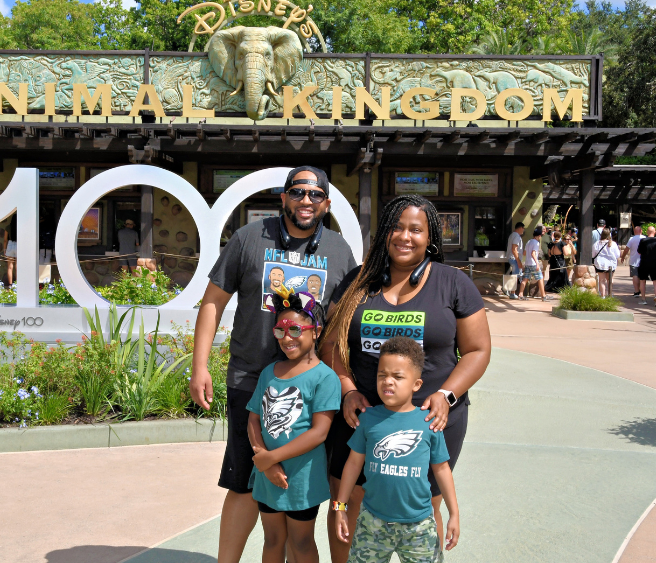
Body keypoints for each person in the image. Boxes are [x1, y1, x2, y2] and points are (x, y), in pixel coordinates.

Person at [190, 166, 357, 563]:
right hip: (254, 378)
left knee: (306, 483)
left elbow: (344, 319)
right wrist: (200, 366)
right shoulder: (249, 238)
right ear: (282, 198)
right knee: (245, 479)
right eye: (297, 192)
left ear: (327, 204)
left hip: (314, 387)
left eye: (315, 195)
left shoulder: (338, 250)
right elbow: (213, 301)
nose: (306, 201)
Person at [319, 194, 490, 563]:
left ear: (431, 238)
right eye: (396, 227)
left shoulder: (453, 283)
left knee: (423, 509)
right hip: (360, 416)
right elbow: (330, 343)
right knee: (348, 503)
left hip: (432, 419)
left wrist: (447, 394)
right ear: (384, 233)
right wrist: (347, 389)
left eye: (416, 229)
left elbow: (477, 350)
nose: (405, 236)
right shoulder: (358, 282)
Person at [334, 337, 459, 563]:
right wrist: (340, 506)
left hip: (419, 528)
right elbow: (353, 464)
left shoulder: (429, 422)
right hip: (372, 523)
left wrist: (454, 514)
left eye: (398, 377)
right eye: (382, 375)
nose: (388, 382)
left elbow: (441, 469)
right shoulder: (369, 419)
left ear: (416, 384)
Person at [248, 289, 340, 563]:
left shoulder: (325, 377)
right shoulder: (269, 373)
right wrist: (265, 461)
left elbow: (319, 432)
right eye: (280, 331)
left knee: (301, 542)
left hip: (301, 481)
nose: (287, 338)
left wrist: (270, 459)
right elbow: (254, 417)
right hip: (268, 476)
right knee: (272, 539)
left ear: (316, 331)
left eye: (296, 330)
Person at [518, 227, 550, 301]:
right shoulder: (536, 243)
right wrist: (537, 263)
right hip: (533, 263)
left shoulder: (529, 242)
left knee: (525, 279)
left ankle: (520, 294)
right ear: (539, 236)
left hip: (527, 263)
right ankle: (543, 296)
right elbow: (533, 253)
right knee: (540, 278)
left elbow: (525, 253)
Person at [637, 225, 656, 306]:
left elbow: (639, 252)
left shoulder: (643, 241)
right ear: (654, 232)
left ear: (647, 232)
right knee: (655, 281)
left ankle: (643, 299)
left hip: (644, 263)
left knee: (642, 281)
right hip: (655, 263)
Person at [592, 228, 620, 297]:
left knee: (601, 280)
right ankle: (610, 293)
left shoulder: (597, 243)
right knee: (610, 279)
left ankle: (603, 295)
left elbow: (593, 255)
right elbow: (617, 255)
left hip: (600, 264)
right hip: (611, 264)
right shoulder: (613, 244)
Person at [504, 222, 525, 299]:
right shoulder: (517, 236)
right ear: (520, 228)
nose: (523, 230)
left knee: (515, 275)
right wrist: (518, 261)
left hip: (512, 258)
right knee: (515, 275)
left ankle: (510, 291)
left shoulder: (512, 235)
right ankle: (512, 293)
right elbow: (514, 249)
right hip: (514, 258)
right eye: (523, 228)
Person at [621, 225, 643, 297]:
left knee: (635, 275)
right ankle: (642, 291)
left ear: (634, 231)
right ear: (641, 231)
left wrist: (623, 257)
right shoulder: (645, 238)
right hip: (643, 260)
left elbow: (626, 249)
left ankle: (637, 291)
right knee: (642, 276)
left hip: (634, 260)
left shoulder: (632, 239)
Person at [4, 218, 17, 288]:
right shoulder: (20, 225)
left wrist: (4, 249)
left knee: (9, 267)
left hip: (10, 244)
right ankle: (18, 284)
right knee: (17, 266)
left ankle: (10, 284)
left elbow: (5, 240)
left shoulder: (8, 227)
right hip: (18, 244)